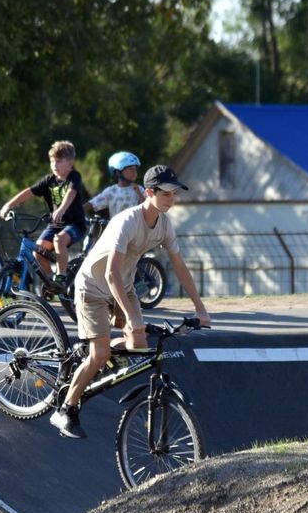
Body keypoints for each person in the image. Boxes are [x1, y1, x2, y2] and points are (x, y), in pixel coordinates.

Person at [50, 165, 211, 438]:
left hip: (123, 287)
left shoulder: (164, 224)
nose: (172, 200)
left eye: (175, 194)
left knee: (138, 346)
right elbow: (111, 273)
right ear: (149, 193)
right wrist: (133, 317)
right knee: (100, 355)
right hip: (94, 288)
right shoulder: (127, 222)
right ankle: (66, 408)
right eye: (167, 194)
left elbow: (180, 267)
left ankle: (88, 353)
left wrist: (200, 308)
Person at [0, 140, 87, 292]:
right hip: (55, 225)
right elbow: (29, 192)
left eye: (58, 161)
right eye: (52, 161)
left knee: (59, 240)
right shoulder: (48, 180)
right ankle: (53, 282)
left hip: (75, 224)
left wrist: (61, 209)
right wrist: (9, 205)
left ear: (71, 162)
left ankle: (61, 276)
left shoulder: (74, 177)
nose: (54, 165)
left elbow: (71, 194)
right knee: (37, 251)